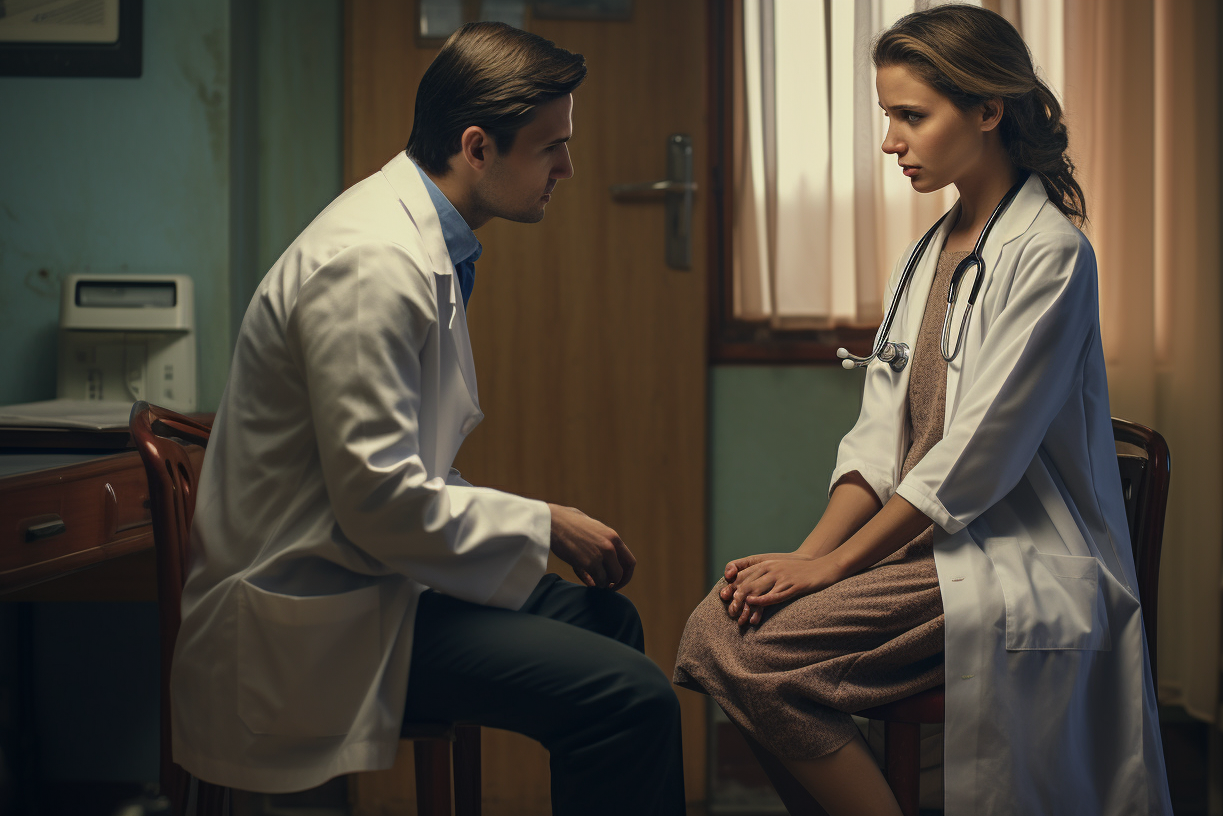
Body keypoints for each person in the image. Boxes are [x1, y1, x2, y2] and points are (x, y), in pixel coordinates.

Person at [169, 22, 685, 816]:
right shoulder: (371, 264)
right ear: (478, 147)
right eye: (551, 148)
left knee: (608, 623)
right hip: (314, 615)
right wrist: (545, 523)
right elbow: (378, 500)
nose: (568, 168)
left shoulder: (424, 244)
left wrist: (528, 525)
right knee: (631, 698)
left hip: (374, 580)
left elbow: (396, 481)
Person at [674, 6, 1172, 816]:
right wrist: (802, 562)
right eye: (888, 116)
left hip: (1012, 559)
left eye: (911, 115)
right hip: (933, 553)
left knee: (737, 651)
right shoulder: (932, 250)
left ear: (987, 110)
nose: (890, 141)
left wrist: (831, 571)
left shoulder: (1050, 254)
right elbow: (878, 440)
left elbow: (975, 456)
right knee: (720, 631)